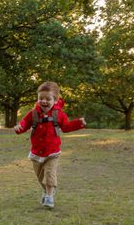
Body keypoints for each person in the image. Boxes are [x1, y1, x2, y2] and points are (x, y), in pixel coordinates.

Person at [14, 81, 86, 209]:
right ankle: (47, 191)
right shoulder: (33, 114)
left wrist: (78, 123)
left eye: (48, 99)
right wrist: (20, 128)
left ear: (55, 100)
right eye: (41, 98)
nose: (44, 101)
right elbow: (25, 123)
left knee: (50, 174)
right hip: (36, 153)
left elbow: (66, 127)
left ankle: (49, 197)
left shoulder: (59, 115)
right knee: (40, 177)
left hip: (52, 152)